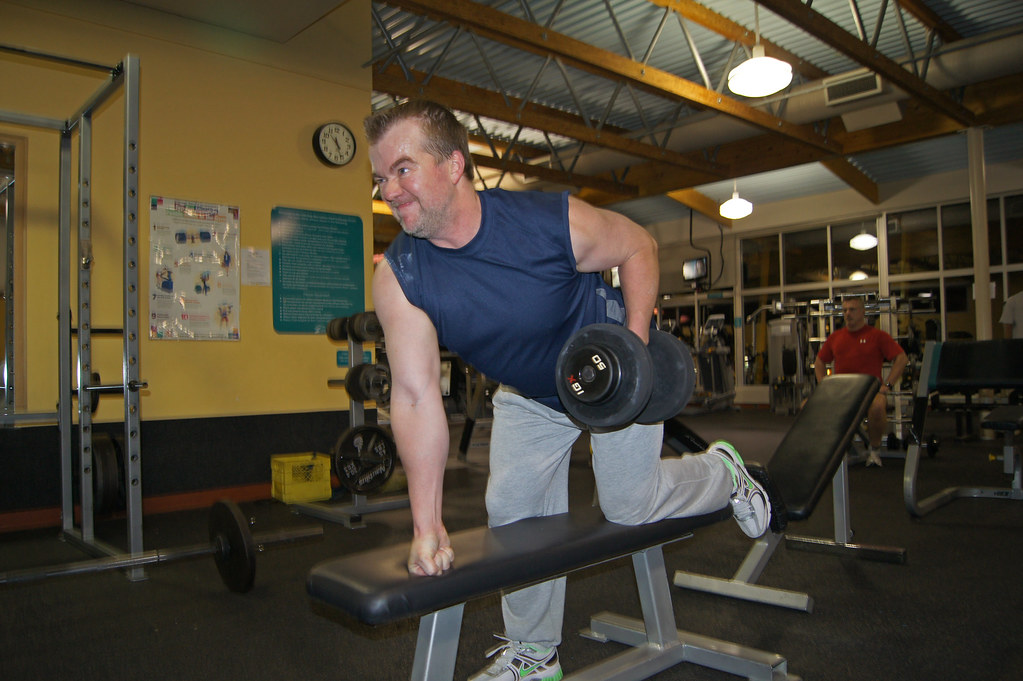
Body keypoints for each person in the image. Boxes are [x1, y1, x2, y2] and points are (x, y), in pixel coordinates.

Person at [365, 99, 769, 681]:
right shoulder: (401, 277)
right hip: (532, 391)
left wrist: (633, 352)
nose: (390, 190)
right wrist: (427, 526)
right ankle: (534, 654)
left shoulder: (545, 223)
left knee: (628, 507)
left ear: (454, 165)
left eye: (402, 169)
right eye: (381, 178)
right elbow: (414, 395)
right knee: (513, 511)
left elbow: (638, 246)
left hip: (606, 373)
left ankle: (725, 472)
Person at [814, 296, 908, 467]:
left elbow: (901, 358)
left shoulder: (877, 336)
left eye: (852, 310)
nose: (847, 314)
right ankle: (825, 452)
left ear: (863, 312)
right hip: (842, 393)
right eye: (845, 310)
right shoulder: (836, 338)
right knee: (807, 405)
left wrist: (887, 385)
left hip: (869, 392)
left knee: (878, 405)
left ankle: (874, 450)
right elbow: (819, 362)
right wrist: (823, 385)